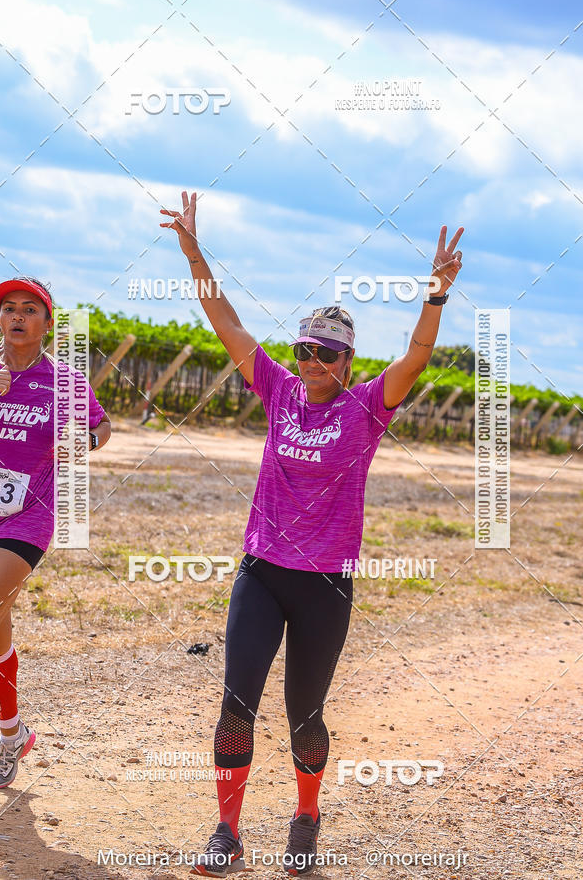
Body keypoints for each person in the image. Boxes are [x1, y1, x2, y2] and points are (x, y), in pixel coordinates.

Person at [160, 192, 463, 877]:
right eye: (305, 349)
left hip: (326, 583)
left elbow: (415, 357)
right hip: (262, 570)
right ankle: (227, 832)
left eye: (328, 354)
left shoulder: (366, 408)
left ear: (349, 362)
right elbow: (225, 319)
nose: (313, 362)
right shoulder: (275, 388)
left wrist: (435, 297)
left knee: (305, 717)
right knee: (237, 702)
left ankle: (305, 815)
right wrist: (192, 252)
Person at [0, 276, 111, 789]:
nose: (16, 316)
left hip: (26, 517)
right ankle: (13, 734)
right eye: (8, 308)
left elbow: (102, 426)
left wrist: (85, 443)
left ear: (47, 322)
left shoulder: (66, 381)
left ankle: (9, 736)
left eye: (29, 309)